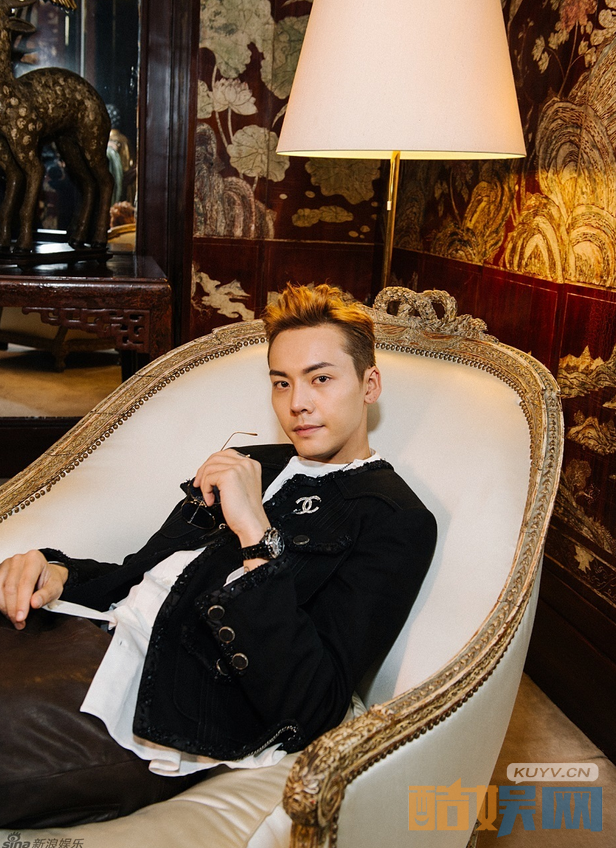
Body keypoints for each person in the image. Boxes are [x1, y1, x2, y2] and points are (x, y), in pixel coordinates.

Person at [0, 283, 437, 826]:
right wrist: (56, 569)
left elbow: (315, 703)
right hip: (88, 631)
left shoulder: (392, 518)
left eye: (321, 378)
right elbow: (138, 574)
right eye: (282, 382)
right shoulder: (249, 461)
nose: (297, 403)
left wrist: (256, 534)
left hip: (162, 697)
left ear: (369, 384)